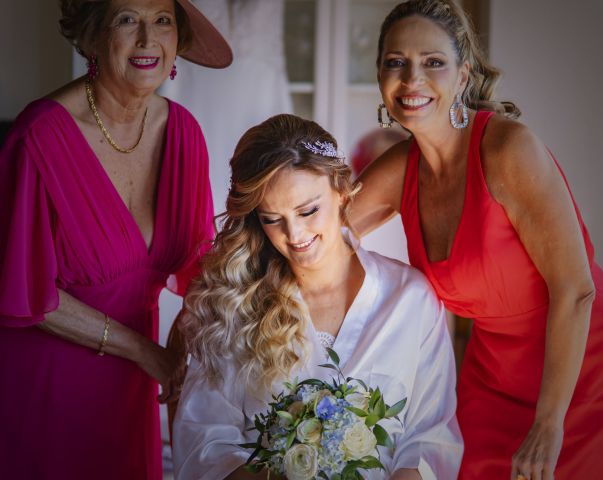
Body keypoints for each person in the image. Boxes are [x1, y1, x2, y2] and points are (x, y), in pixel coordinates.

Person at [349, 1, 603, 479]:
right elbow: (320, 234)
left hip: (590, 374)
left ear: (463, 76)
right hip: (493, 380)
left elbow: (576, 289)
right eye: (395, 63)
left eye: (433, 63)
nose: (411, 79)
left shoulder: (507, 149)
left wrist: (549, 424)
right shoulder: (400, 169)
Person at [0, 0, 232, 478]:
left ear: (177, 40)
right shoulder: (38, 136)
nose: (148, 40)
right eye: (128, 19)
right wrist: (147, 352)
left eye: (162, 21)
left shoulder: (184, 133)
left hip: (132, 383)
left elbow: (200, 271)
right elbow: (29, 297)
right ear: (92, 37)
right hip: (47, 379)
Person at [171, 114, 463, 480]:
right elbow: (204, 441)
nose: (294, 234)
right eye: (271, 218)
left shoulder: (410, 300)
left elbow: (431, 434)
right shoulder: (237, 306)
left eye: (308, 210)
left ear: (341, 190)